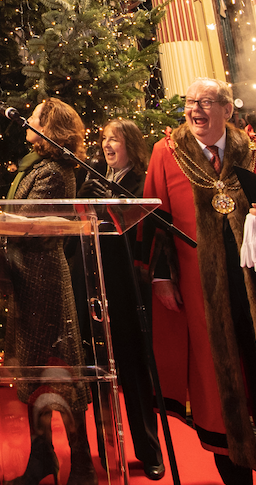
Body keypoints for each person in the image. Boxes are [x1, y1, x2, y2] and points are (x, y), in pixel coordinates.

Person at [144, 77, 256, 485]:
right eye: (191, 102)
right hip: (201, 292)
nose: (196, 109)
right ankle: (234, 471)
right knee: (218, 381)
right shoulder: (166, 154)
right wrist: (160, 277)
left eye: (207, 102)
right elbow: (156, 221)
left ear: (227, 111)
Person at [5, 98, 93, 485]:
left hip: (45, 281)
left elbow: (33, 222)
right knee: (34, 371)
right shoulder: (37, 166)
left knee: (61, 371)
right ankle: (42, 458)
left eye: (35, 115)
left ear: (50, 126)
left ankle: (83, 462)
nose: (28, 120)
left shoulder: (56, 169)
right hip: (27, 280)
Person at [96, 117, 161, 478]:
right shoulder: (99, 181)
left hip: (129, 289)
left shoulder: (142, 182)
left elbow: (144, 227)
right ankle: (109, 451)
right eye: (105, 139)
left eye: (115, 140)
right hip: (100, 287)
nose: (107, 145)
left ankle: (150, 451)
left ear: (131, 145)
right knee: (102, 373)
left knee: (134, 373)